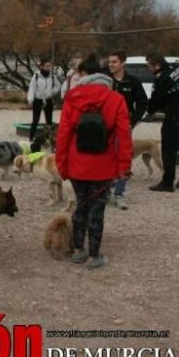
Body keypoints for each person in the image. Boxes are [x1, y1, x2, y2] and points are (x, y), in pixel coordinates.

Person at [55, 54, 132, 269]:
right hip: (103, 166)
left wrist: (62, 166)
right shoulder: (116, 99)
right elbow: (124, 137)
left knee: (81, 205)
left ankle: (79, 250)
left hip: (77, 164)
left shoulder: (72, 97)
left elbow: (63, 136)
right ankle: (94, 255)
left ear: (84, 75)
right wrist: (124, 167)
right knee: (97, 210)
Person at [145, 53, 179, 192]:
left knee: (168, 148)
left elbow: (155, 101)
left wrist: (147, 112)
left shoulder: (161, 79)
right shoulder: (178, 68)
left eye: (149, 66)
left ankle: (168, 182)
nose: (148, 69)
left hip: (174, 115)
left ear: (157, 65)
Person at [106, 50, 148, 210]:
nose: (111, 64)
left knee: (123, 159)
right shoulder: (106, 81)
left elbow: (143, 103)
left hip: (124, 127)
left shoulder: (133, 82)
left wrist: (132, 122)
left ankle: (120, 193)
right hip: (106, 127)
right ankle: (106, 191)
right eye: (110, 62)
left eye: (114, 62)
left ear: (123, 63)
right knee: (106, 158)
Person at [27, 58, 61, 141]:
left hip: (48, 100)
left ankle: (49, 139)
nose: (48, 67)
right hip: (38, 100)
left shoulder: (53, 76)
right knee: (35, 120)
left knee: (49, 121)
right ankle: (31, 139)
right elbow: (32, 88)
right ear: (41, 66)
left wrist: (52, 93)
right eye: (46, 66)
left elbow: (57, 87)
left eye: (49, 66)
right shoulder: (36, 76)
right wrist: (30, 99)